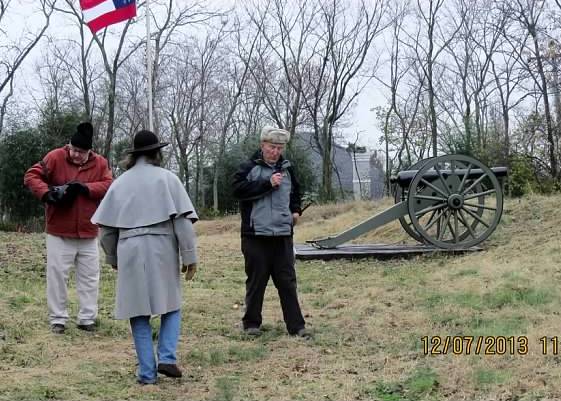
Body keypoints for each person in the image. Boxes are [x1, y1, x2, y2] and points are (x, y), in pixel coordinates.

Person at [91, 130, 198, 385]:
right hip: (162, 245)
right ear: (156, 153)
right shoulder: (168, 179)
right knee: (171, 304)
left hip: (129, 247)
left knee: (137, 312)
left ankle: (147, 374)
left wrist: (113, 258)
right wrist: (190, 256)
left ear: (134, 155)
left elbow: (106, 230)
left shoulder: (120, 183)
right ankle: (167, 357)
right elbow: (183, 222)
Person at [24, 122, 113, 334]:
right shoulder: (54, 157)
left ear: (89, 151)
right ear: (69, 145)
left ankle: (87, 318)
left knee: (90, 277)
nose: (75, 155)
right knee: (57, 277)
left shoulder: (100, 163)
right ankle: (58, 319)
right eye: (73, 149)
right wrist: (47, 193)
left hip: (88, 231)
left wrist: (85, 188)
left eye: (80, 152)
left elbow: (110, 185)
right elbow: (31, 175)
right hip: (58, 231)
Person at [232, 126, 311, 339]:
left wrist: (295, 210)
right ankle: (251, 324)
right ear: (262, 146)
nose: (275, 151)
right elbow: (237, 190)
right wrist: (267, 184)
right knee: (257, 281)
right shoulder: (249, 168)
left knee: (287, 281)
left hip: (283, 235)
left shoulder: (287, 168)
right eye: (271, 147)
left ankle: (297, 327)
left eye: (279, 148)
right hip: (255, 236)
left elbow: (295, 191)